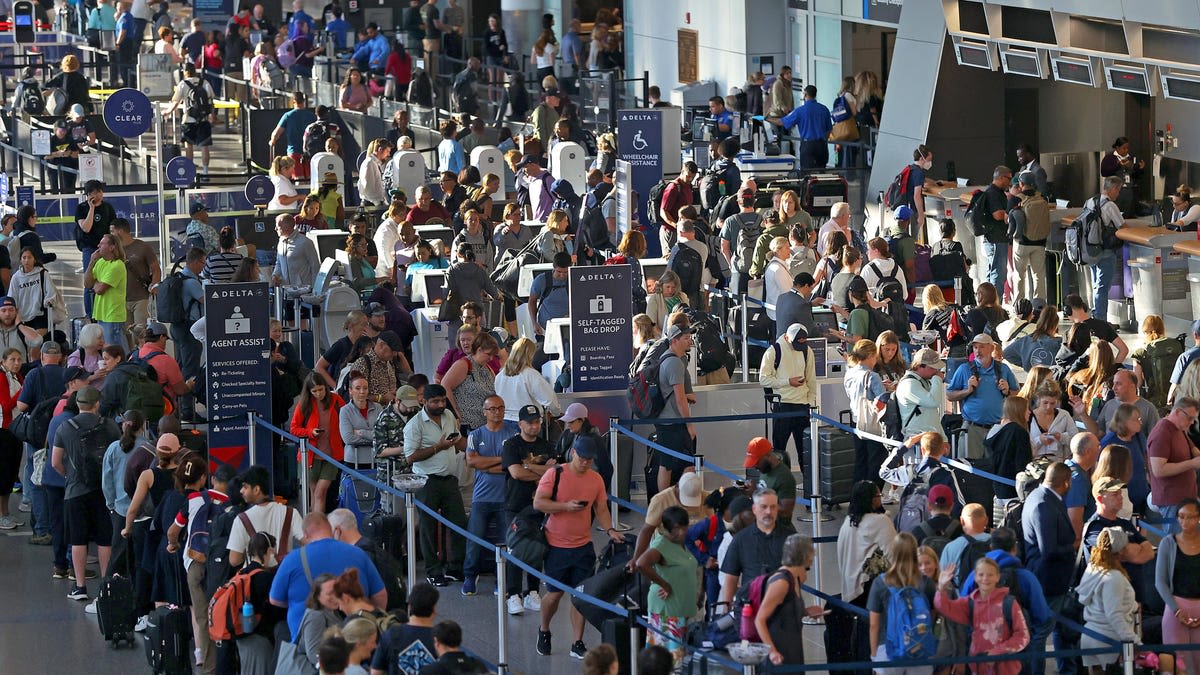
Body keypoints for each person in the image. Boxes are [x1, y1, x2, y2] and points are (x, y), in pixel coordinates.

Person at [533, 435, 624, 659]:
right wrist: (565, 506)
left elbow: (601, 508)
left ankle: (577, 642)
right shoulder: (555, 474)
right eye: (582, 458)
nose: (585, 463)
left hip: (583, 546)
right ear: (573, 452)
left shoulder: (596, 479)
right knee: (554, 595)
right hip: (556, 545)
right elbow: (539, 503)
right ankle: (544, 630)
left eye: (589, 460)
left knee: (580, 596)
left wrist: (610, 530)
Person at [269, 512, 386, 641]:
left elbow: (275, 599)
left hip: (308, 641)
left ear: (306, 535)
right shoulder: (358, 553)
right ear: (331, 529)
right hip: (355, 638)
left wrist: (298, 601)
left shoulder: (292, 559)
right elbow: (380, 596)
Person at [51, 386, 120, 602]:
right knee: (104, 539)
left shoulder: (65, 427)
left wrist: (68, 476)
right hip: (103, 491)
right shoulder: (109, 426)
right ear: (97, 403)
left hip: (75, 491)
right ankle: (106, 586)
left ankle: (80, 587)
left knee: (78, 540)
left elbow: (55, 462)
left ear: (78, 403)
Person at [403, 384, 468, 586]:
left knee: (458, 522)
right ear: (424, 402)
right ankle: (433, 570)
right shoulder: (414, 425)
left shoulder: (448, 415)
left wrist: (471, 447)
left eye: (442, 400)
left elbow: (457, 440)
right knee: (428, 527)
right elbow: (410, 457)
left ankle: (455, 567)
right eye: (435, 402)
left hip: (448, 478)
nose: (440, 405)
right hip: (426, 481)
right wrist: (438, 447)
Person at [934, 556, 1031, 675]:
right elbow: (944, 607)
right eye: (981, 574)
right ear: (975, 577)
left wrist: (997, 652)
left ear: (997, 577)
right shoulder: (970, 603)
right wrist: (941, 587)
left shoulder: (1009, 603)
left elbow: (1022, 636)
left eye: (990, 575)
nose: (985, 578)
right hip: (977, 667)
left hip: (1006, 668)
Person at [633, 505, 698, 668]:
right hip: (667, 612)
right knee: (668, 662)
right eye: (676, 529)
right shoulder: (661, 545)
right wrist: (664, 585)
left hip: (680, 610)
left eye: (684, 527)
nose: (681, 532)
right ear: (667, 528)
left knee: (678, 660)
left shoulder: (681, 542)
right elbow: (641, 564)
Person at [867, 532, 937, 675]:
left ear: (893, 551)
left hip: (887, 649)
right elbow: (932, 617)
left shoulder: (880, 583)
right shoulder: (926, 583)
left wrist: (874, 656)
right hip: (919, 649)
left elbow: (874, 625)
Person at [946, 334, 1017, 465]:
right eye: (975, 347)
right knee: (969, 470)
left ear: (991, 348)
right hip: (972, 430)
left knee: (996, 470)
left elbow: (1016, 394)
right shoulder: (964, 369)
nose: (978, 351)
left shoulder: (1003, 369)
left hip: (997, 429)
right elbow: (949, 395)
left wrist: (1008, 391)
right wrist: (967, 391)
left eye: (982, 347)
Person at [1078, 526, 1140, 672]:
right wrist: (1133, 640)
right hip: (1109, 639)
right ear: (1120, 550)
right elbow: (1114, 614)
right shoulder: (1113, 577)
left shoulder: (1093, 569)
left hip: (1090, 635)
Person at [759, 323, 816, 474]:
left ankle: (809, 487)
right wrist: (787, 382)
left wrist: (810, 402)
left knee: (805, 450)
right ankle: (780, 484)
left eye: (803, 343)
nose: (800, 346)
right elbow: (763, 379)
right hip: (782, 405)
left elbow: (811, 379)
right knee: (779, 451)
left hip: (802, 406)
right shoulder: (774, 351)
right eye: (796, 343)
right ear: (786, 337)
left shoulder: (807, 350)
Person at [838, 481, 897, 610]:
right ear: (871, 500)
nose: (880, 498)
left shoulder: (848, 521)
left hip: (849, 586)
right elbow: (893, 555)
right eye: (879, 495)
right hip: (870, 586)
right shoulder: (881, 522)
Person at [291, 374, 345, 514]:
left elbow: (346, 417)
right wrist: (310, 432)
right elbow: (294, 429)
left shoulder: (336, 400)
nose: (318, 394)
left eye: (321, 389)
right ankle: (316, 524)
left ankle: (316, 525)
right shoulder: (304, 404)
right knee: (315, 493)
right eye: (314, 391)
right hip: (311, 456)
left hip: (331, 455)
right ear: (309, 391)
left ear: (326, 388)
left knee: (320, 492)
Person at [1148, 398, 1200, 528]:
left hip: (1186, 498)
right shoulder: (1162, 432)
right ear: (1177, 412)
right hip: (1172, 500)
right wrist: (1191, 464)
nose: (1192, 422)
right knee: (1177, 543)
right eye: (1189, 418)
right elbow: (1159, 469)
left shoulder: (1180, 429)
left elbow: (1192, 449)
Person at [370, 582, 439, 675]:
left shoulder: (391, 634)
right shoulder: (441, 639)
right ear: (434, 610)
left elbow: (375, 672)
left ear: (409, 607)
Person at [844, 339, 886, 486]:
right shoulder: (873, 376)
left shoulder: (849, 373)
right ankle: (872, 495)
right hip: (872, 422)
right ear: (870, 356)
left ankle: (858, 494)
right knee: (877, 461)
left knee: (860, 461)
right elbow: (882, 399)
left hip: (855, 419)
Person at [162, 62, 216, 174]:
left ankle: (190, 172)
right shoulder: (205, 82)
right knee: (204, 147)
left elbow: (175, 103)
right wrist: (212, 116)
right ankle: (205, 172)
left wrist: (166, 112)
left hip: (188, 120)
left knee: (188, 146)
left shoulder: (183, 84)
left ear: (184, 72)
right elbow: (211, 101)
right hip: (203, 120)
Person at [773, 85, 831, 169]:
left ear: (805, 95)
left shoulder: (800, 111)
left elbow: (781, 122)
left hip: (807, 145)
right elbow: (829, 130)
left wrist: (765, 118)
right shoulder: (824, 109)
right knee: (821, 172)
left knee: (807, 173)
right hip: (821, 145)